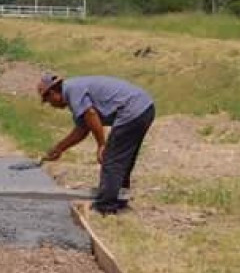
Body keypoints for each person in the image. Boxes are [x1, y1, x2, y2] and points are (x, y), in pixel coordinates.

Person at [38, 73, 155, 216]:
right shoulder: (75, 90)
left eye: (49, 101)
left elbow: (91, 114)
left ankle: (105, 206)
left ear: (52, 93)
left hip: (133, 110)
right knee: (122, 159)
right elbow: (82, 129)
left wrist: (101, 145)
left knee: (112, 160)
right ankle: (119, 199)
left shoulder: (72, 90)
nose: (52, 105)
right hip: (145, 108)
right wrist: (59, 148)